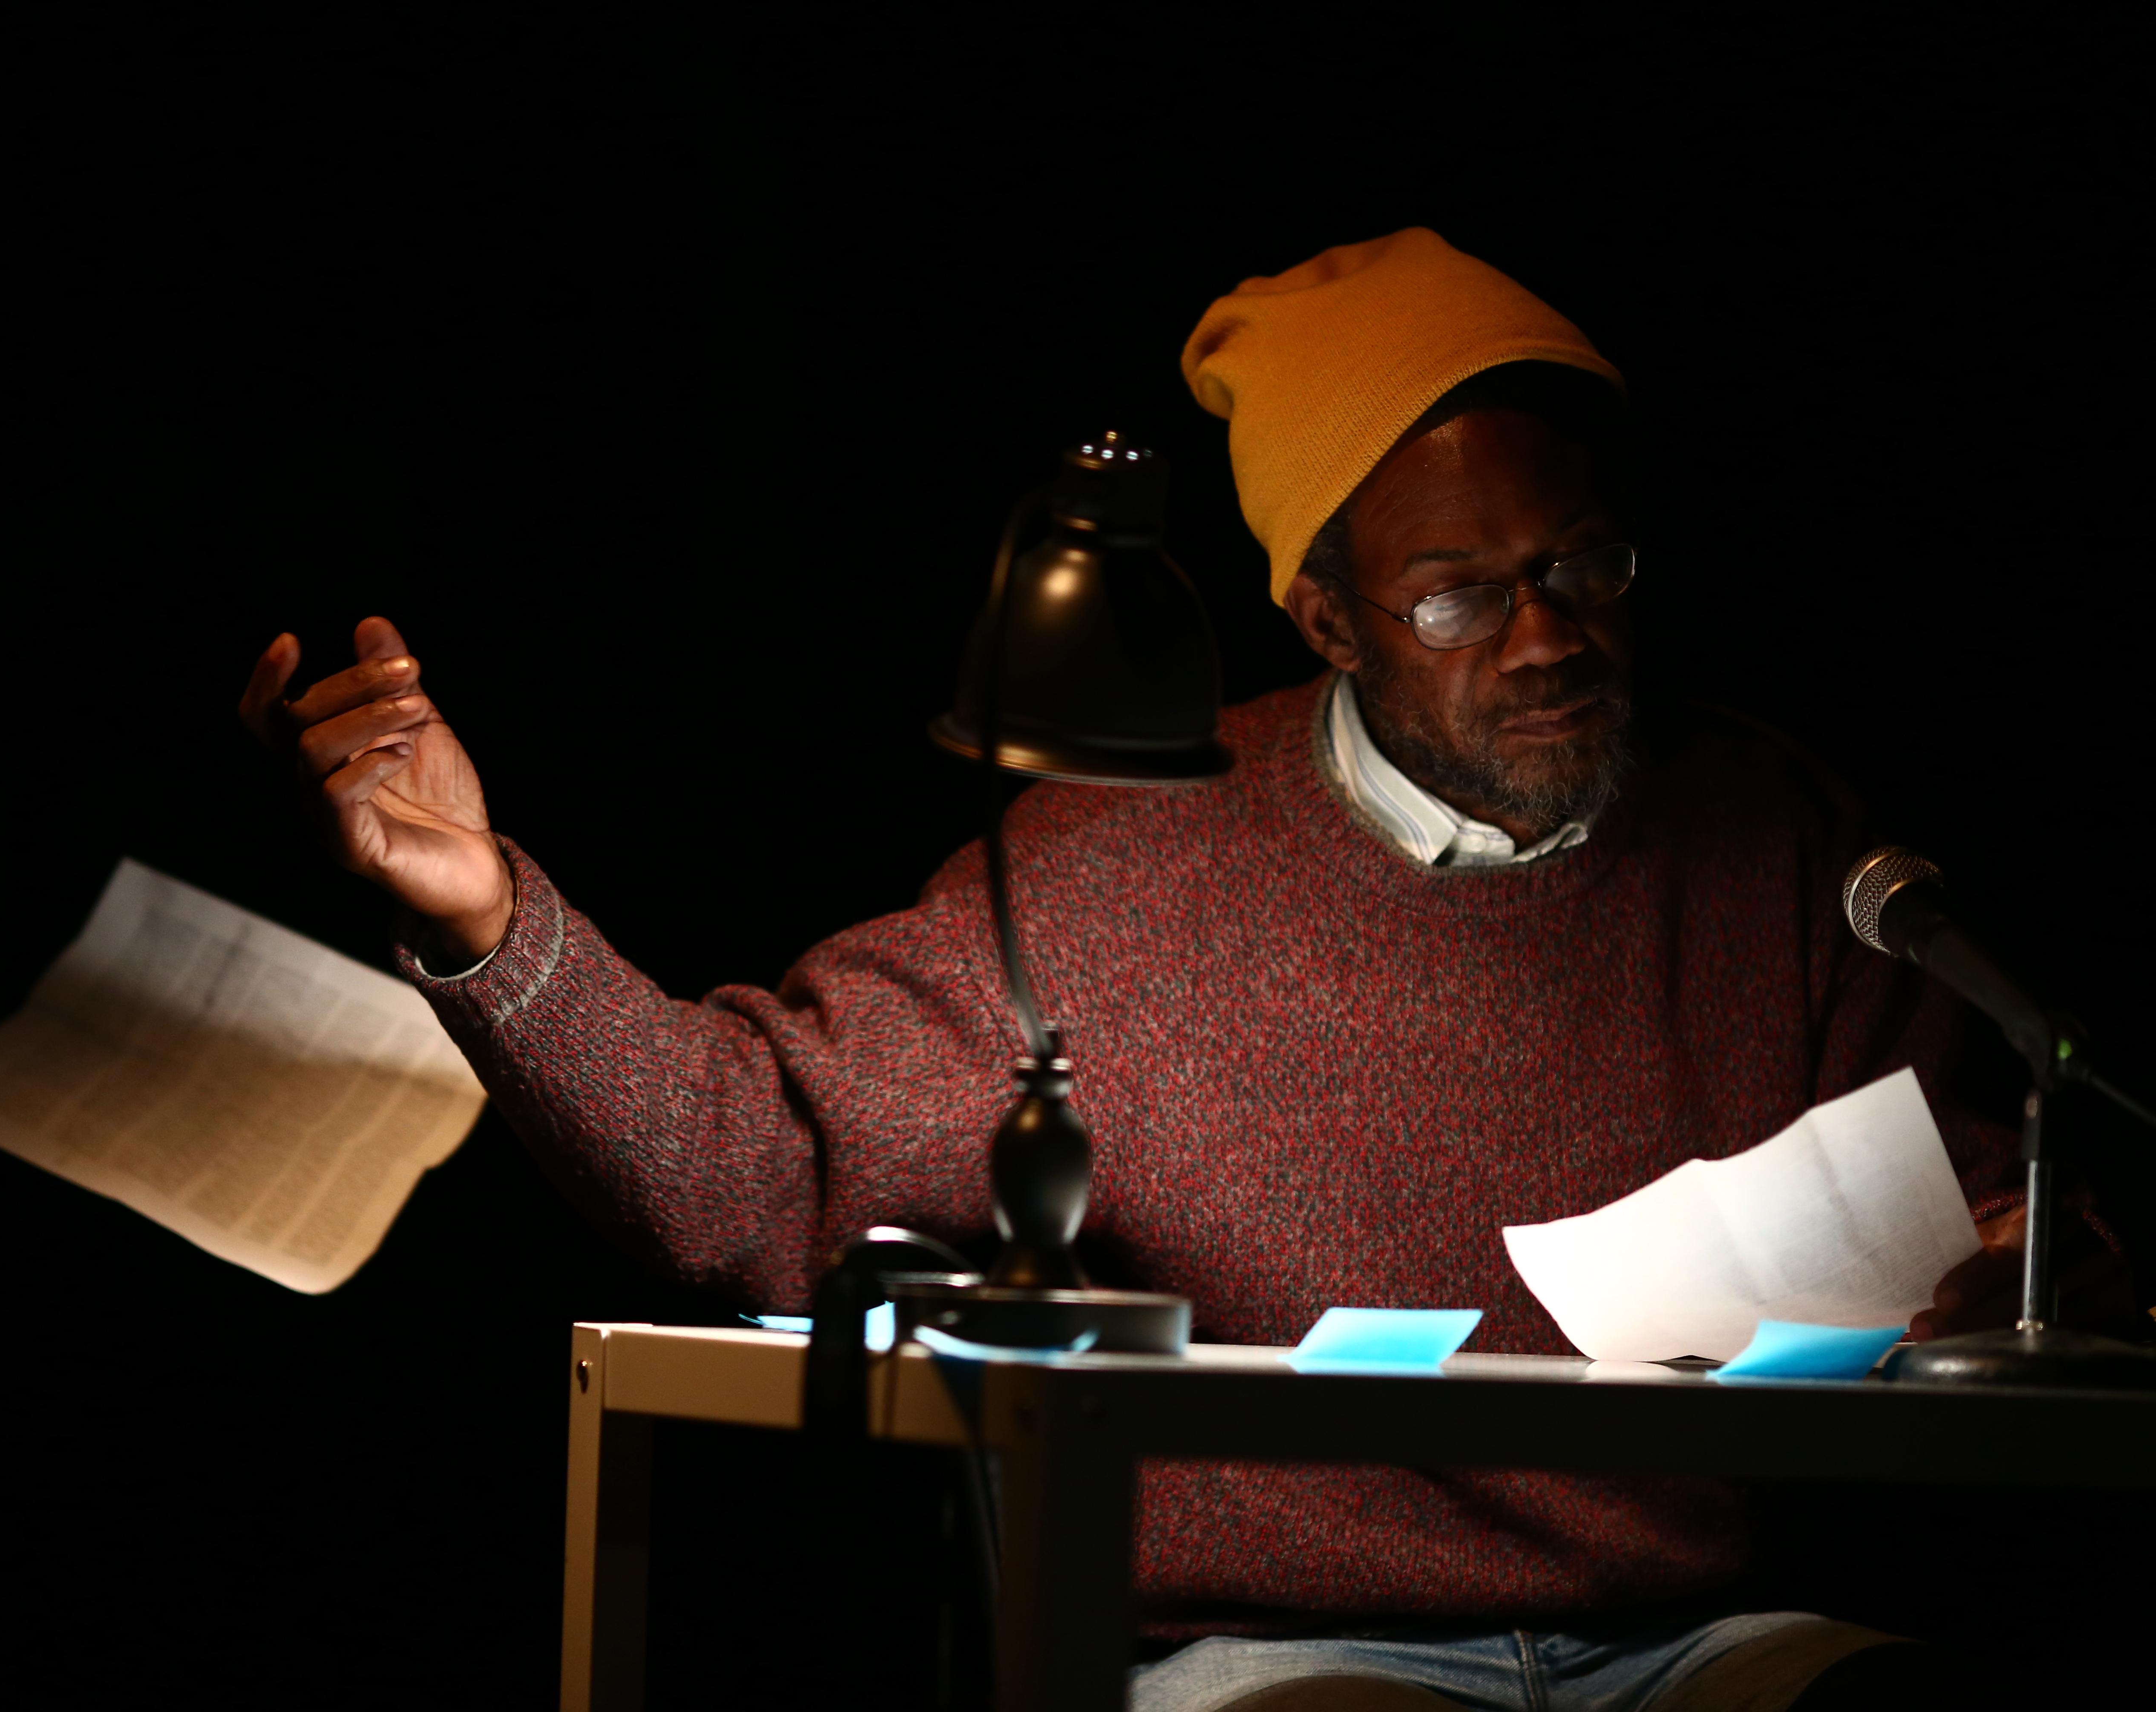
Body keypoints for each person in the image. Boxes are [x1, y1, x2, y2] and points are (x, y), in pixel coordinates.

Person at [237, 229, 2120, 1709]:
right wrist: (486, 908)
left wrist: (2032, 1246)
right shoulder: (1120, 863)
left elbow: (1985, 1177)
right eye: (1461, 593)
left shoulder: (1771, 829)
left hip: (1695, 1634)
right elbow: (763, 1163)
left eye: (1589, 567)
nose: (1547, 636)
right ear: (1327, 614)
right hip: (1277, 1656)